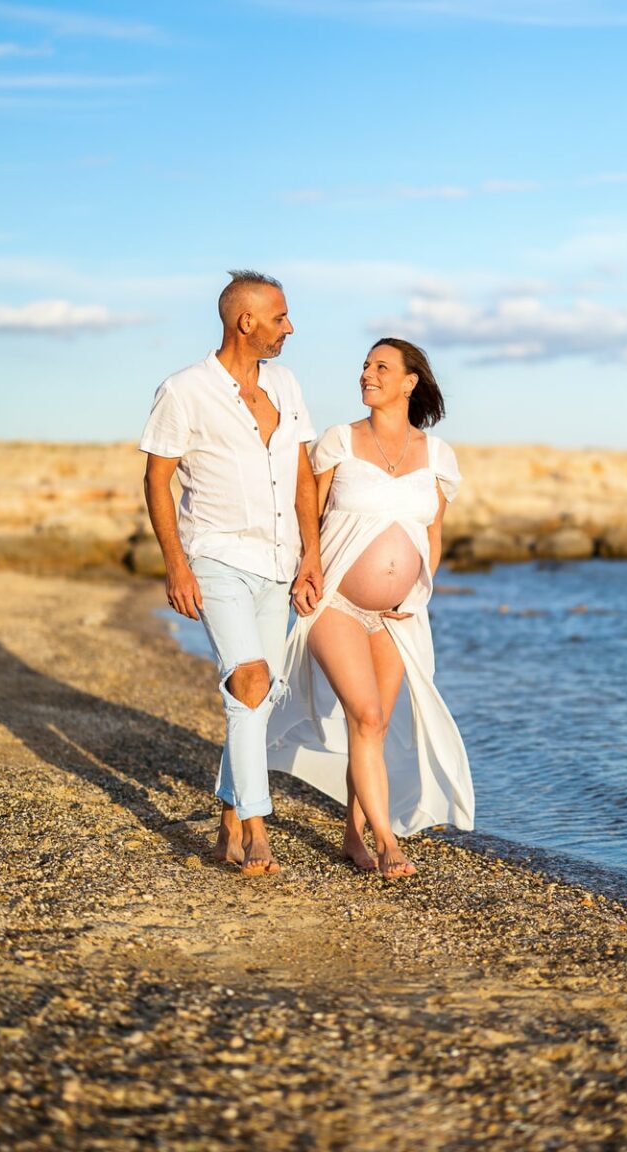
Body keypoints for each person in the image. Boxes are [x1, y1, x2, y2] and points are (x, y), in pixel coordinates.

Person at [268, 338, 474, 878]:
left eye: (381, 367)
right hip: (335, 600)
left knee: (375, 728)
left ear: (410, 382)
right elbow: (304, 510)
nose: (367, 373)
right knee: (367, 713)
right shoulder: (340, 440)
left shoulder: (437, 456)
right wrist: (306, 566)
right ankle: (387, 841)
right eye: (364, 365)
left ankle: (353, 834)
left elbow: (433, 534)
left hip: (398, 615)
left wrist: (419, 591)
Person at [140, 271, 321, 876]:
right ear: (246, 321)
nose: (289, 327)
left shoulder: (288, 385)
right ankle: (256, 828)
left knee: (261, 696)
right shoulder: (184, 390)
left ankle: (224, 823)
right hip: (216, 557)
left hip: (279, 561)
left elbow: (301, 477)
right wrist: (176, 565)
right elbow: (156, 479)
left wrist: (311, 556)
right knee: (247, 681)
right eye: (281, 317)